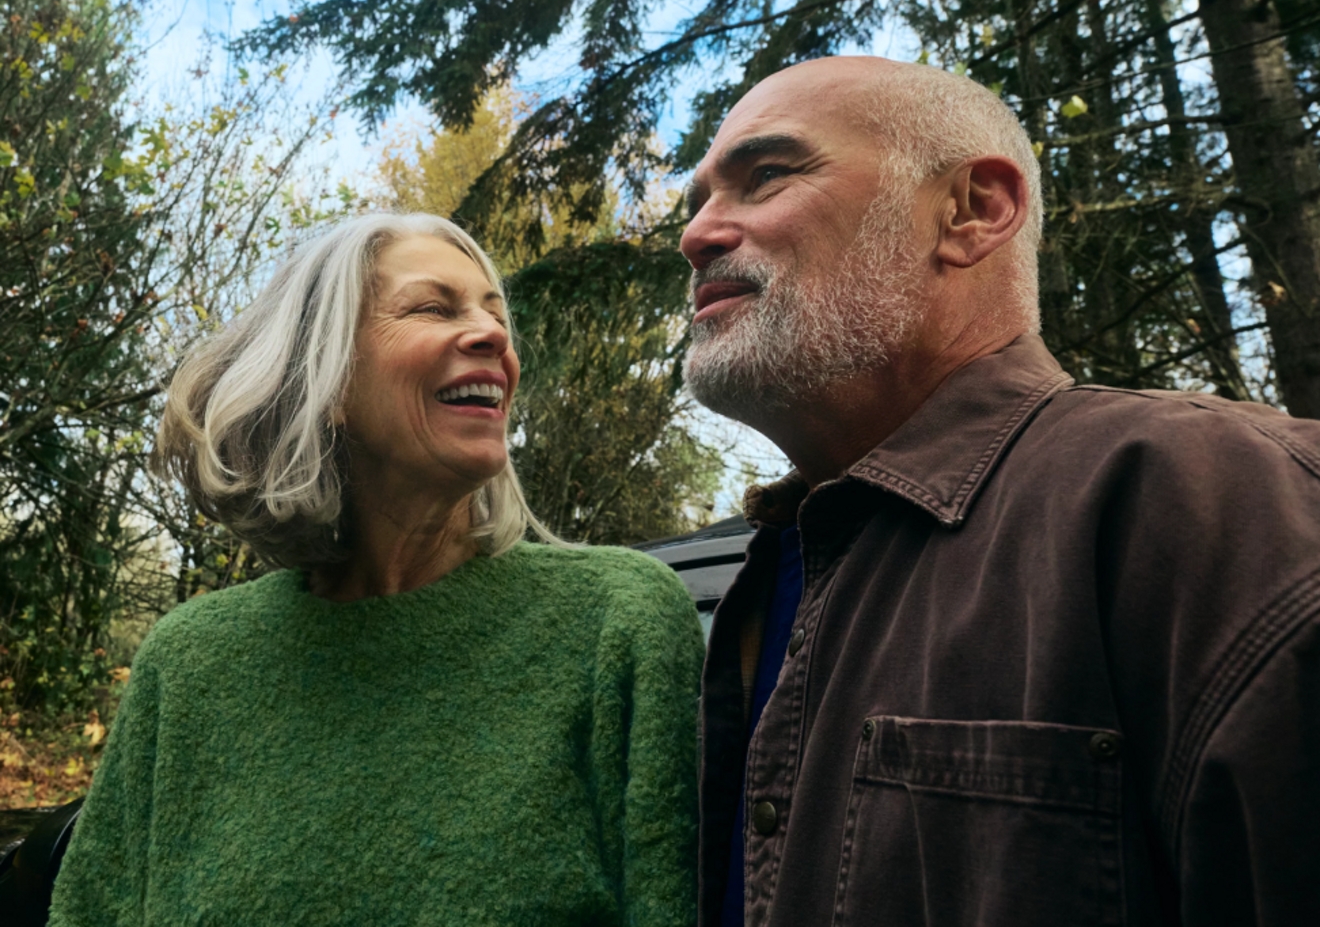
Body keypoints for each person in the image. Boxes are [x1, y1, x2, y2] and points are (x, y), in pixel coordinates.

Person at [681, 56, 1320, 927]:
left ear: (973, 211)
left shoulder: (1215, 494)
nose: (698, 233)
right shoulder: (766, 579)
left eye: (766, 176)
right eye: (698, 201)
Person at [47, 212, 704, 927]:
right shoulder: (190, 664)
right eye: (432, 307)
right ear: (325, 383)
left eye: (495, 314)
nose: (495, 338)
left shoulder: (617, 620)